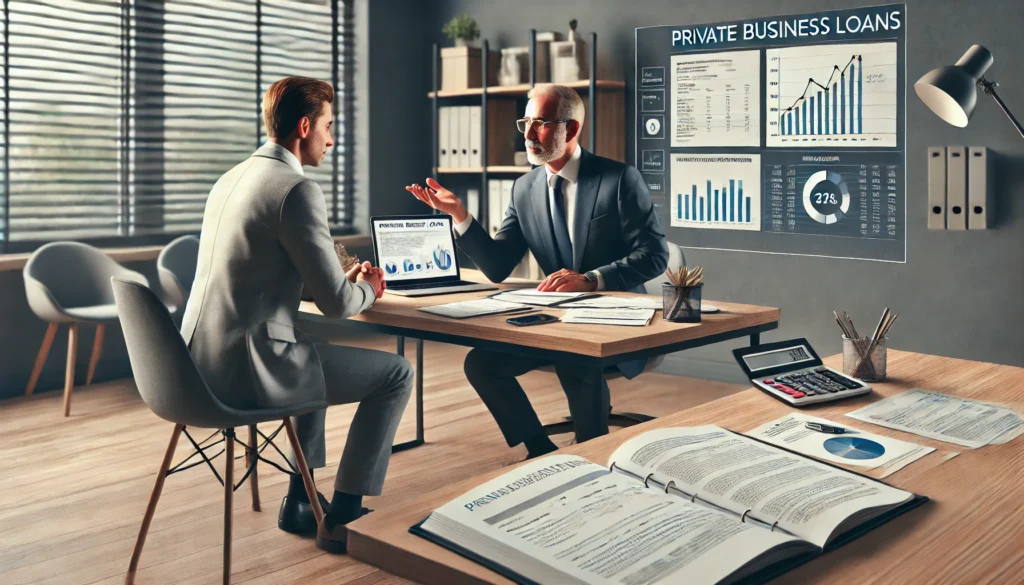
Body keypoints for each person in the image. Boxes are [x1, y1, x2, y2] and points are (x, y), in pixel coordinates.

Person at [179, 76, 412, 554]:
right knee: (397, 373)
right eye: (329, 126)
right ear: (304, 127)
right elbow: (337, 306)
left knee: (309, 353)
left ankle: (301, 498)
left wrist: (338, 281)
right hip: (246, 372)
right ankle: (345, 512)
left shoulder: (230, 179)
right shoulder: (296, 189)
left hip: (189, 368)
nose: (332, 139)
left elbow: (268, 270)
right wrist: (366, 288)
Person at [406, 83, 668, 459]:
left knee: (575, 358)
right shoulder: (524, 188)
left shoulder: (618, 179)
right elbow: (497, 265)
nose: (528, 135)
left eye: (540, 124)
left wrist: (592, 279)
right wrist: (459, 214)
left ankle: (591, 456)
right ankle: (540, 450)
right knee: (482, 363)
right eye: (525, 122)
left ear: (571, 130)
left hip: (613, 322)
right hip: (555, 321)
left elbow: (655, 255)